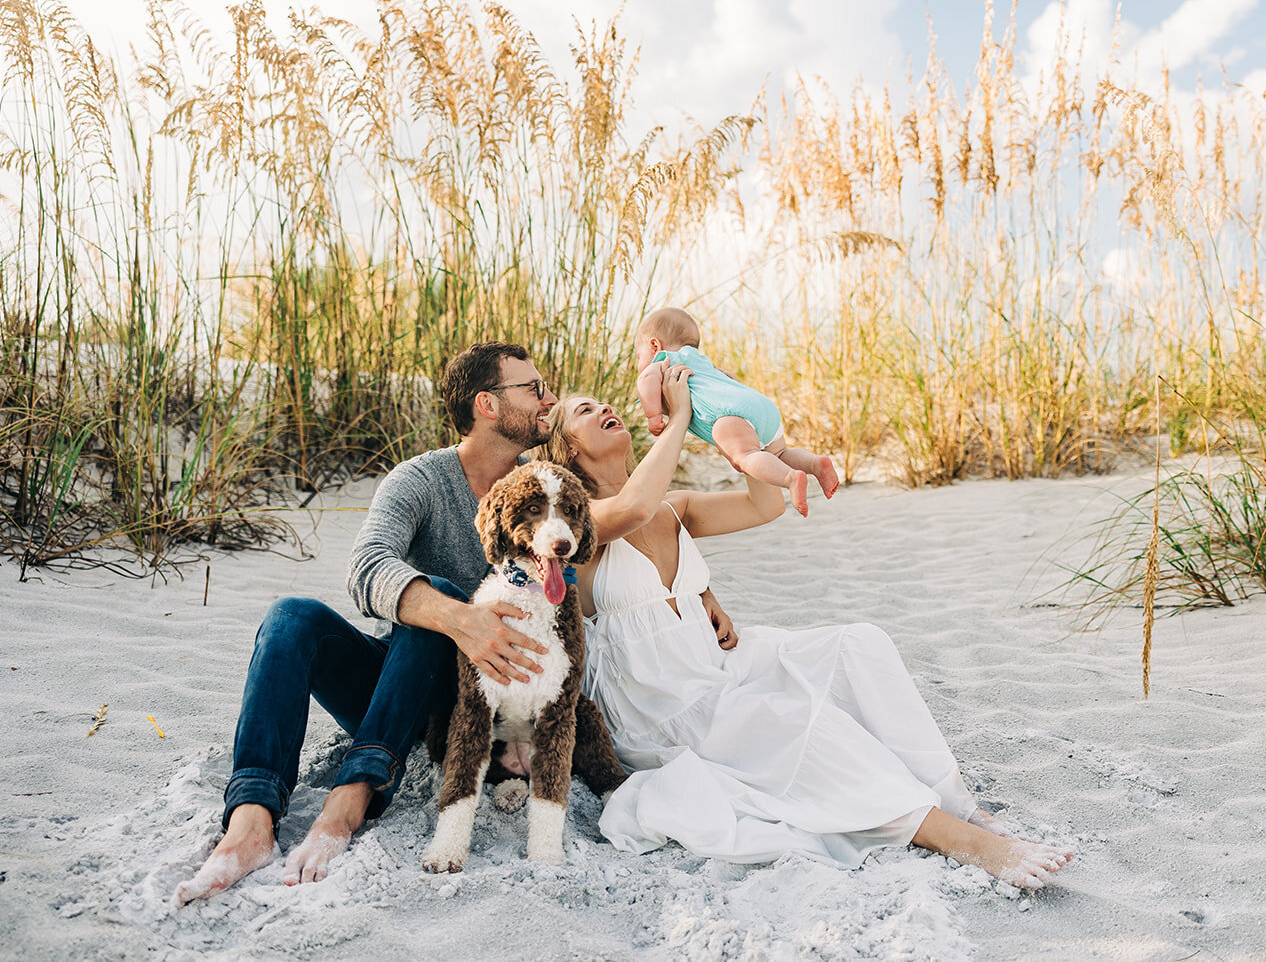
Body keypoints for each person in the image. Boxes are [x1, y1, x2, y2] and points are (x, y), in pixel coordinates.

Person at [171, 341, 671, 905]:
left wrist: (699, 596)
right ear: (487, 404)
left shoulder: (547, 489)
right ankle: (251, 824)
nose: (547, 399)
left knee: (441, 598)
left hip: (474, 710)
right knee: (291, 619)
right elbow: (365, 567)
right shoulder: (420, 480)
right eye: (533, 389)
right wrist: (461, 619)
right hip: (397, 689)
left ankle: (350, 798)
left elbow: (607, 541)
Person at [543, 389, 1074, 889]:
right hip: (661, 699)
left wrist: (739, 434)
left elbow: (764, 505)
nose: (605, 406)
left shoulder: (674, 507)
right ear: (568, 447)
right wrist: (678, 418)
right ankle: (950, 834)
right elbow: (632, 507)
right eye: (585, 410)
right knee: (792, 717)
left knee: (857, 645)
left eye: (604, 402)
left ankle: (951, 799)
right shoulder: (579, 522)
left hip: (717, 659)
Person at [634, 306, 839, 517]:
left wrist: (653, 416)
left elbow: (646, 380)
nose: (639, 365)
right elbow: (728, 376)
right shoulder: (702, 362)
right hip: (760, 405)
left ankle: (790, 478)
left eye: (639, 356)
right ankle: (815, 463)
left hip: (728, 414)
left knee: (746, 457)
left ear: (654, 345)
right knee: (779, 454)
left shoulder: (664, 360)